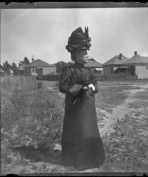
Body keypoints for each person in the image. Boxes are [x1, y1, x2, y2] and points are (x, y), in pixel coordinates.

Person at [59, 26, 105, 170]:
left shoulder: (88, 71)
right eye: (84, 52)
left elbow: (96, 85)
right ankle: (74, 158)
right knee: (75, 131)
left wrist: (92, 87)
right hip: (74, 108)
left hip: (87, 111)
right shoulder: (68, 70)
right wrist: (79, 88)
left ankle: (90, 157)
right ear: (76, 54)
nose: (86, 55)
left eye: (87, 52)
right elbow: (63, 86)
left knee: (87, 130)